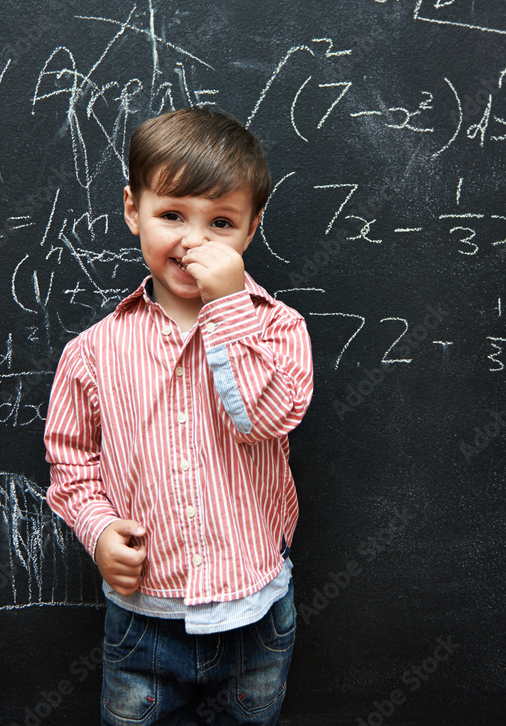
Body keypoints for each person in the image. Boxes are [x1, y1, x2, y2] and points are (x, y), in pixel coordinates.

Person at [43, 107, 313, 725]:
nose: (194, 240)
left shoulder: (277, 329)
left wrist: (227, 306)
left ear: (250, 230)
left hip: (256, 615)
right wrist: (97, 527)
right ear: (134, 210)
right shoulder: (92, 351)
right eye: (172, 215)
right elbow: (71, 459)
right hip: (144, 623)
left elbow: (264, 417)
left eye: (221, 222)